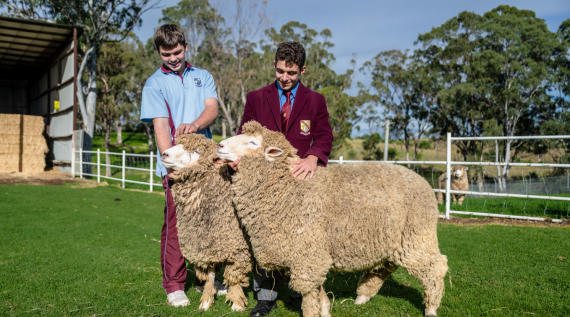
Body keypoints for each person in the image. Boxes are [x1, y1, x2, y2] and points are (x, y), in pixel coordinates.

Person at [229, 41, 333, 317]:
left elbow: (323, 137)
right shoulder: (255, 98)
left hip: (299, 182)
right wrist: (239, 157)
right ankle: (265, 297)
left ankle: (301, 294)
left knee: (300, 240)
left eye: (291, 73)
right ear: (273, 66)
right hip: (264, 185)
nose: (284, 78)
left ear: (302, 70)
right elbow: (246, 135)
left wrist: (312, 157)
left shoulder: (316, 101)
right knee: (264, 237)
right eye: (279, 71)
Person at [140, 24, 225, 307]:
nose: (173, 58)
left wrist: (196, 125)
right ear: (159, 52)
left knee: (209, 222)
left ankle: (206, 279)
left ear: (186, 47)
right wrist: (173, 167)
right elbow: (162, 128)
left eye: (177, 52)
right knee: (175, 225)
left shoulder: (203, 76)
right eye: (167, 54)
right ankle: (174, 284)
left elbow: (211, 108)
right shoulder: (154, 84)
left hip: (207, 165)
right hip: (176, 168)